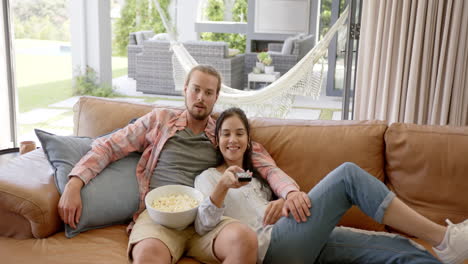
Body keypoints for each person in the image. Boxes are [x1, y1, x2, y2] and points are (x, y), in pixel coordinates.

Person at [57, 65, 309, 264]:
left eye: (209, 93)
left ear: (216, 97)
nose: (201, 98)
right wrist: (74, 183)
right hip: (160, 219)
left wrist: (290, 192)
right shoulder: (160, 120)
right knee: (147, 256)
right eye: (196, 89)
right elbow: (109, 146)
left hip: (208, 221)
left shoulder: (224, 132)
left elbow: (265, 167)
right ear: (185, 89)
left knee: (245, 241)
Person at [194, 107, 468, 264]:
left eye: (239, 133)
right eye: (226, 133)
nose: (233, 139)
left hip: (296, 239)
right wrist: (222, 188)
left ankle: (446, 251)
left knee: (400, 249)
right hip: (270, 250)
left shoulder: (258, 177)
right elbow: (203, 224)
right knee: (347, 175)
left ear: (248, 140)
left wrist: (280, 204)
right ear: (216, 140)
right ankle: (444, 237)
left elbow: (269, 203)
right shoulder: (207, 177)